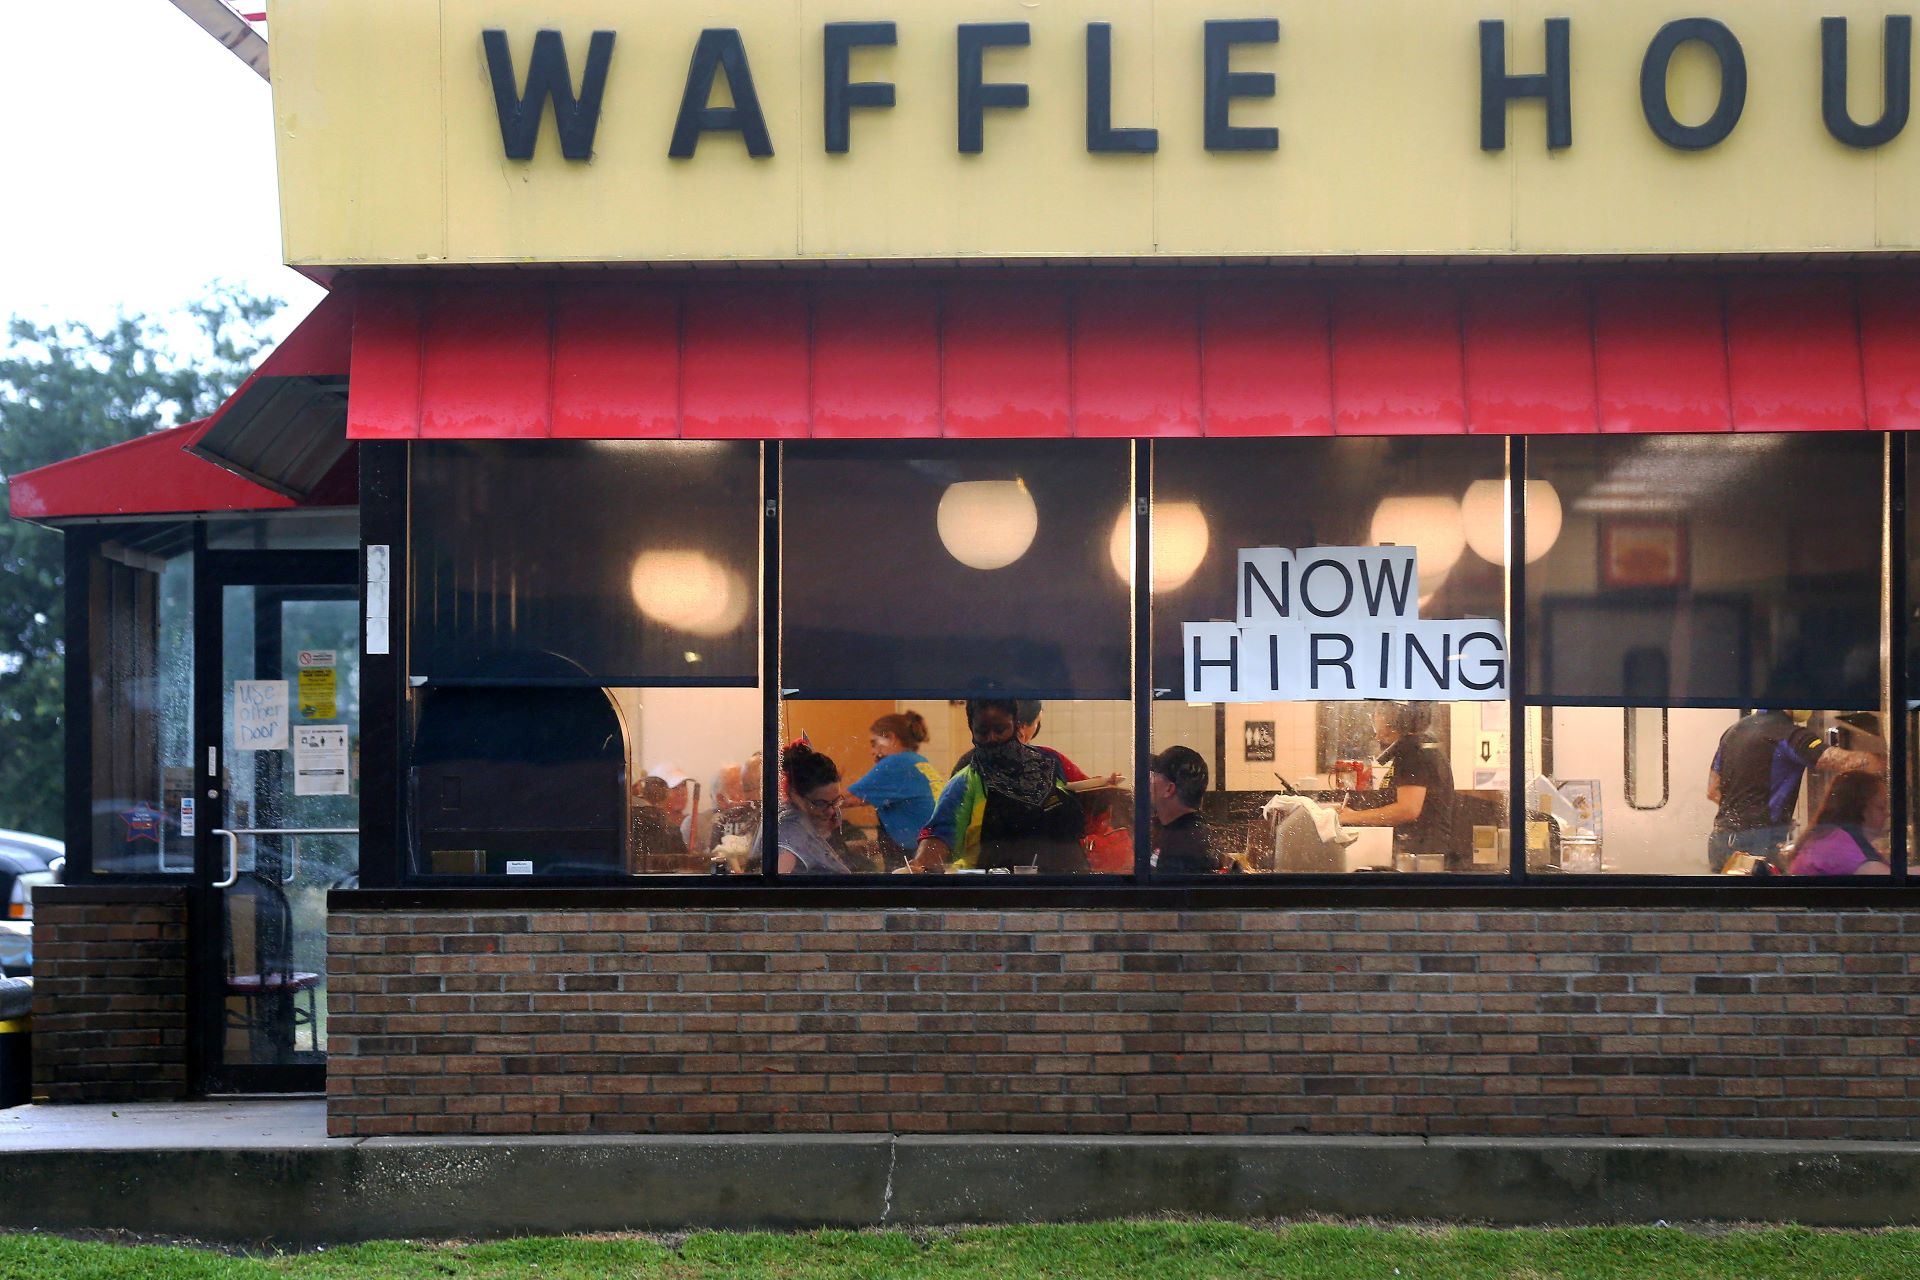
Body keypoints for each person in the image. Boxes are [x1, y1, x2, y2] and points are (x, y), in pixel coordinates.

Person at [912, 698, 1087, 873]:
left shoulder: (1053, 761)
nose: (992, 738)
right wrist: (921, 866)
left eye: (1000, 730)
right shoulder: (964, 783)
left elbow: (1089, 796)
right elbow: (938, 836)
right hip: (996, 890)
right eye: (982, 732)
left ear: (1015, 725)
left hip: (1069, 885)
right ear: (972, 731)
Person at [1707, 710, 1881, 873]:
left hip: (1720, 841)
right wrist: (1883, 761)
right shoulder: (1788, 733)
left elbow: (1713, 790)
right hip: (1756, 848)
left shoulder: (1733, 732)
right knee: (1763, 902)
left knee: (1726, 902)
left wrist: (1746, 814)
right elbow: (1839, 761)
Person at [1335, 702, 1453, 867]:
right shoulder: (1414, 747)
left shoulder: (1413, 750)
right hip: (1419, 853)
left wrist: (1352, 816)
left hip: (1420, 859)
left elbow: (1408, 809)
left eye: (1375, 714)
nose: (1373, 720)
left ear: (1388, 719)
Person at [846, 712, 943, 863]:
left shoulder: (896, 763)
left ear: (891, 737)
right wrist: (870, 847)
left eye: (874, 743)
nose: (872, 751)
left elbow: (845, 800)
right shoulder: (920, 762)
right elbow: (914, 821)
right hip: (936, 854)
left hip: (918, 861)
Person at [766, 741, 856, 875]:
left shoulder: (806, 823)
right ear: (794, 794)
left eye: (835, 801)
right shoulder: (789, 827)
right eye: (820, 803)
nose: (831, 810)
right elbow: (777, 883)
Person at [1786, 770, 1891, 876]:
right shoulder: (1838, 845)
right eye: (1881, 807)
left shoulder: (1831, 836)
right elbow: (1887, 878)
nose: (1887, 814)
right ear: (1860, 808)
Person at [1149, 745, 1221, 874]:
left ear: (1169, 789)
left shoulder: (1184, 846)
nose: (1149, 781)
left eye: (1154, 775)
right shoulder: (1179, 830)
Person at [629, 775, 689, 873]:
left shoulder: (628, 820)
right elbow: (683, 864)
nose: (681, 793)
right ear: (666, 796)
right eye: (675, 788)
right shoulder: (670, 829)